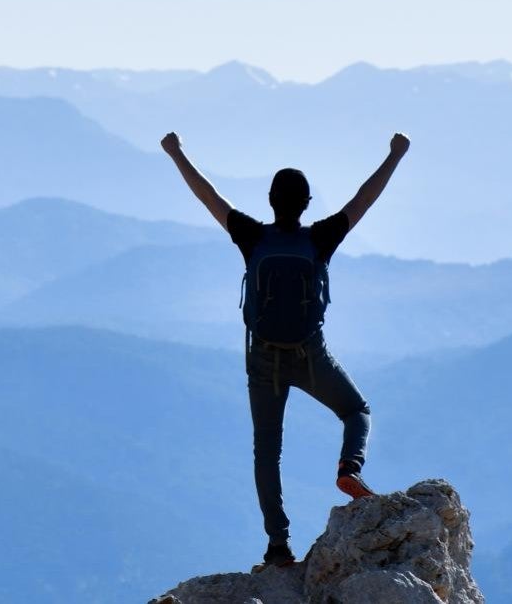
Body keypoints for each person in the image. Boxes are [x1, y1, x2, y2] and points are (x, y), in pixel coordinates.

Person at [160, 130, 411, 570]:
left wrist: (176, 153)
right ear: (307, 203)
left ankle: (278, 546)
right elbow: (363, 200)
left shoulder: (251, 237)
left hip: (263, 359)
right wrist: (395, 155)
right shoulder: (320, 239)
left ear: (271, 199)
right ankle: (349, 469)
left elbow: (208, 196)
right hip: (310, 355)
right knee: (357, 411)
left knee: (267, 452)